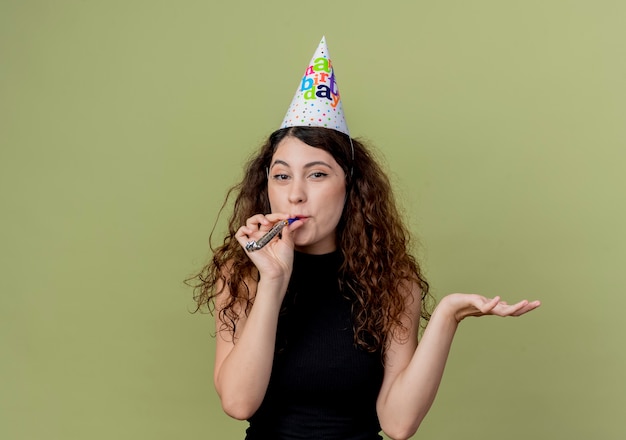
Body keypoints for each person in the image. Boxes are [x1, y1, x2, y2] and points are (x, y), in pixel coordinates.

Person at [188, 37, 541, 440]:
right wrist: (273, 279)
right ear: (266, 184)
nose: (295, 193)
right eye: (282, 175)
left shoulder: (391, 281)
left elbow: (398, 424)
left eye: (317, 174)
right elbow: (238, 403)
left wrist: (447, 316)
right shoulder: (241, 273)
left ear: (350, 186)